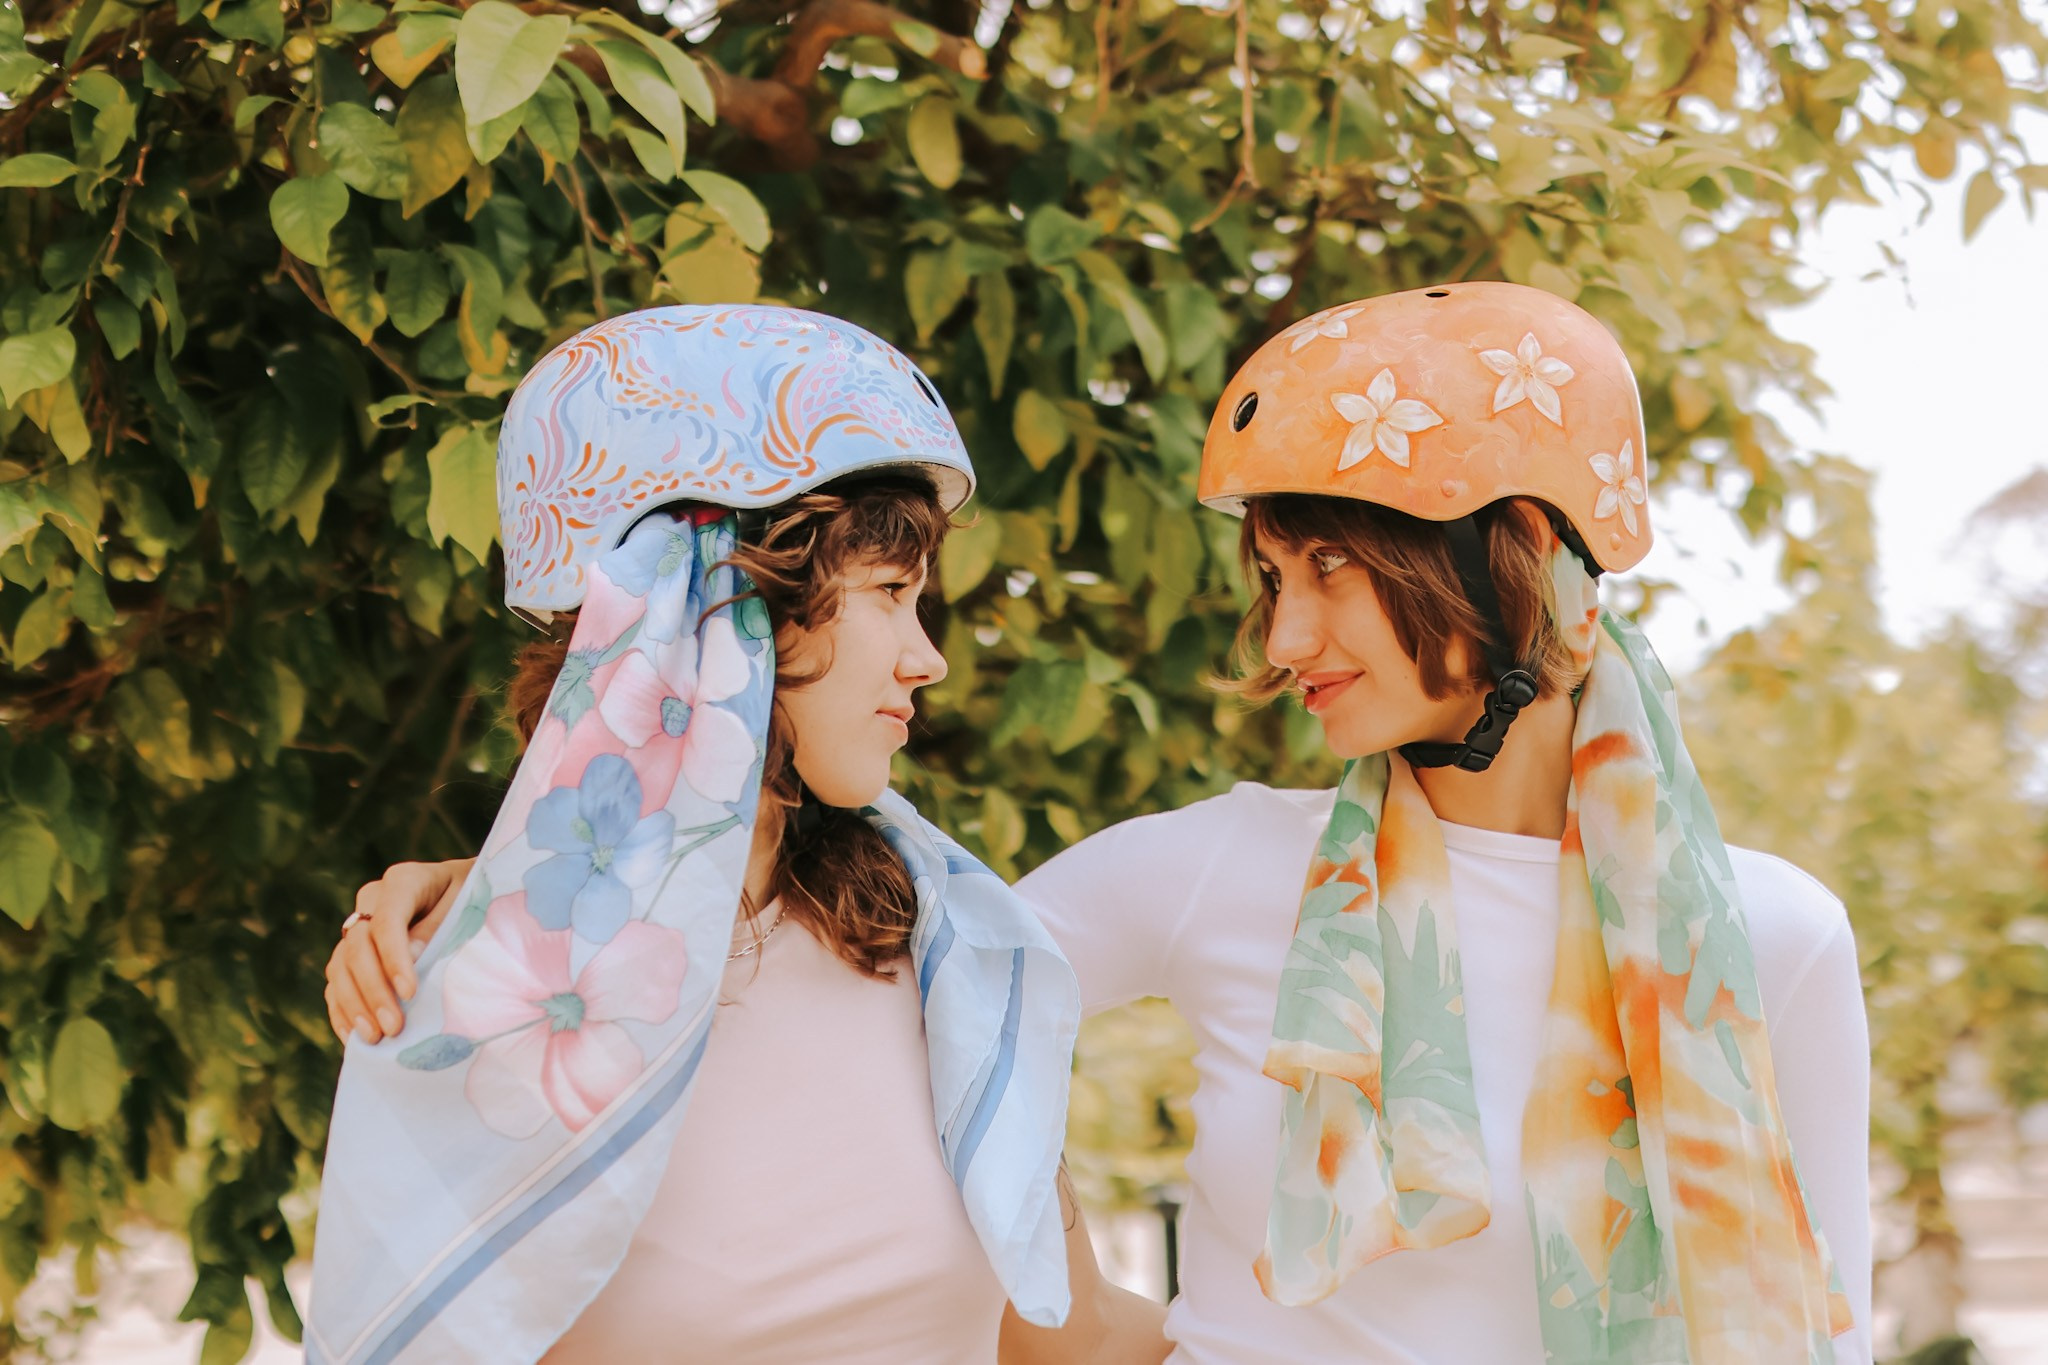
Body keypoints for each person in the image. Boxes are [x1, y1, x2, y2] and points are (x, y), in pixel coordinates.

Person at [334, 284, 1874, 1362]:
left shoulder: (1780, 940)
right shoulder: (1207, 871)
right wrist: (523, 879)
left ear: (1517, 554)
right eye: (1271, 579)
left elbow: (1830, 1326)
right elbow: (785, 921)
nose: (1282, 641)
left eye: (1329, 569)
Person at [309, 304, 1166, 1364]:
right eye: (890, 593)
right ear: (717, 605)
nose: (927, 658)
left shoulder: (941, 959)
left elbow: (1079, 1338)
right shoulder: (470, 991)